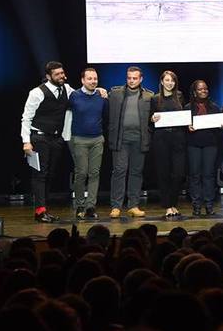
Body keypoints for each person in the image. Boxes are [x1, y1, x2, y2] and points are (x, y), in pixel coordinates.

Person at [21, 61, 75, 222]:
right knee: (40, 174)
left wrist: (98, 90)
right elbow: (26, 118)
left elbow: (81, 94)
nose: (61, 76)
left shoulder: (66, 89)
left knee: (50, 174)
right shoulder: (37, 92)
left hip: (56, 138)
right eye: (57, 74)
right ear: (48, 76)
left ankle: (45, 209)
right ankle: (39, 211)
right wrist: (26, 141)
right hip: (39, 137)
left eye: (62, 73)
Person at [107, 66, 154, 219]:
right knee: (119, 171)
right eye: (129, 78)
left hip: (139, 140)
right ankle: (116, 206)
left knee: (136, 172)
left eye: (135, 78)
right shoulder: (115, 94)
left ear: (141, 79)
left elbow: (153, 117)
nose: (132, 81)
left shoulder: (149, 96)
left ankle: (133, 205)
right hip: (120, 139)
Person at [68, 67, 108, 220]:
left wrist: (102, 92)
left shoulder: (101, 96)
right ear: (82, 80)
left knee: (94, 173)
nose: (93, 81)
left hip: (97, 139)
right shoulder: (74, 96)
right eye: (89, 78)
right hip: (79, 139)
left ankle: (90, 206)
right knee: (81, 173)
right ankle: (80, 205)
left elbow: (106, 115)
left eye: (95, 78)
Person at [149, 70, 187, 218]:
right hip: (161, 139)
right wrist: (152, 119)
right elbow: (150, 119)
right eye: (167, 80)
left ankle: (173, 203)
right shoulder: (155, 98)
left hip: (178, 138)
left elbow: (184, 116)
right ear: (162, 82)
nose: (170, 83)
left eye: (172, 80)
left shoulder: (179, 96)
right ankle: (168, 206)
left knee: (178, 174)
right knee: (163, 173)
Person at [185, 80, 222, 216]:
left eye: (205, 88)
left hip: (210, 144)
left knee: (209, 175)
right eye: (200, 89)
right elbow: (183, 127)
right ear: (195, 92)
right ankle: (196, 205)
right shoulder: (187, 108)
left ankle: (209, 205)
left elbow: (219, 128)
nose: (204, 91)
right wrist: (187, 127)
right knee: (195, 175)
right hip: (193, 144)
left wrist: (221, 126)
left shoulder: (214, 107)